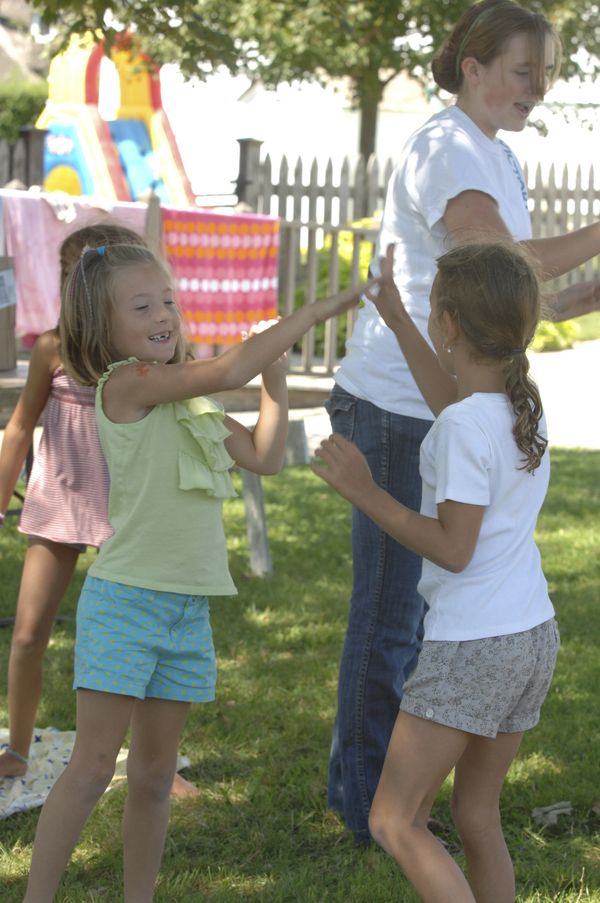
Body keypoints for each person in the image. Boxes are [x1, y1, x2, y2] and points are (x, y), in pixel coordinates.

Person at [21, 241, 372, 903]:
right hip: (124, 602)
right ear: (104, 327)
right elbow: (223, 367)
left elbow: (265, 456)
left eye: (169, 300)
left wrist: (273, 380)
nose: (165, 313)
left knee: (154, 776)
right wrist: (321, 310)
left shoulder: (195, 405)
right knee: (94, 765)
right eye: (143, 304)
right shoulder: (125, 385)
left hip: (186, 609)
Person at [327, 0, 600, 843]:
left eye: (546, 73)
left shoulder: (497, 155)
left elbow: (504, 299)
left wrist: (573, 300)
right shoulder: (449, 146)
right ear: (474, 68)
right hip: (398, 403)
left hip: (447, 399)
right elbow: (503, 262)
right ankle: (371, 805)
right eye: (525, 70)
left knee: (422, 609)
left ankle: (398, 799)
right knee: (391, 614)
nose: (538, 88)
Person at [314, 241, 559, 902]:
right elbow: (449, 397)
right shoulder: (510, 407)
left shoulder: (459, 429)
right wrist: (395, 317)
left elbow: (454, 548)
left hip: (473, 647)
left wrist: (365, 490)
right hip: (530, 636)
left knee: (395, 818)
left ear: (448, 323)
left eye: (427, 308)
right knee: (476, 815)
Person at [0, 223, 200, 798]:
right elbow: (19, 427)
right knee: (27, 632)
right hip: (60, 499)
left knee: (136, 645)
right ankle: (17, 748)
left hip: (128, 512)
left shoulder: (145, 356)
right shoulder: (52, 349)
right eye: (70, 275)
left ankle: (147, 759)